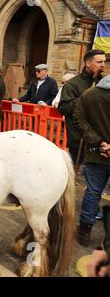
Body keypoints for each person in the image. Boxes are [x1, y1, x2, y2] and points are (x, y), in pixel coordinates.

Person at [74, 74, 110, 247]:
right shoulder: (89, 94)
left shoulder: (89, 94)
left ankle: (84, 230)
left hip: (96, 152)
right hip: (99, 151)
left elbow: (79, 120)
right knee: (93, 191)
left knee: (93, 191)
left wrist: (99, 142)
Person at [58, 49, 106, 165]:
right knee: (77, 175)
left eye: (104, 62)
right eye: (99, 62)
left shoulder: (104, 83)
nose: (103, 65)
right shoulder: (73, 84)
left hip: (102, 140)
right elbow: (64, 108)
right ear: (88, 63)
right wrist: (87, 96)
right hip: (78, 140)